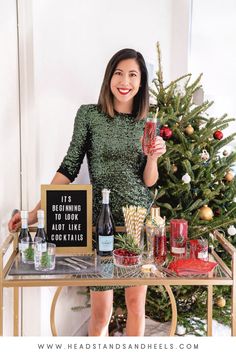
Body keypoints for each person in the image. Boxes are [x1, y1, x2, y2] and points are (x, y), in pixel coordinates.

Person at [8, 48, 166, 336]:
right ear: (109, 77)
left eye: (133, 75)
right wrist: (33, 214)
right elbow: (68, 168)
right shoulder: (89, 115)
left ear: (141, 82)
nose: (125, 81)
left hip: (136, 223)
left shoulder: (148, 123)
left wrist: (154, 157)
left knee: (135, 305)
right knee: (101, 311)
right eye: (119, 73)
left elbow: (149, 181)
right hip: (101, 224)